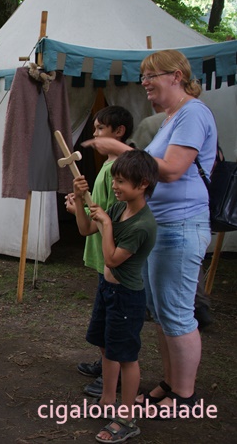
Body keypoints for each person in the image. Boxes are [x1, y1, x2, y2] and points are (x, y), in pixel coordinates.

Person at [82, 50, 217, 419]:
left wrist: (121, 149)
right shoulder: (171, 118)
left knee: (177, 313)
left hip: (182, 225)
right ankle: (170, 385)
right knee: (161, 311)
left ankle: (184, 395)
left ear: (176, 76)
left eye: (151, 75)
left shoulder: (192, 113)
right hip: (165, 227)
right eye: (143, 76)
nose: (144, 82)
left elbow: (171, 170)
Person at [73, 150, 158, 443]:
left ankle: (127, 418)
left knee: (126, 357)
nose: (115, 186)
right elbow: (86, 229)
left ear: (143, 184)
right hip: (107, 290)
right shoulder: (119, 208)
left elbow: (111, 259)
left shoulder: (143, 225)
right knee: (106, 347)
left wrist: (107, 224)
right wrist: (79, 199)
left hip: (126, 297)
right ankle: (107, 400)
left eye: (121, 181)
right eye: (114, 180)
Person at [64, 106, 134, 397]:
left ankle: (112, 375)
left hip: (114, 258)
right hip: (104, 257)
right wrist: (80, 201)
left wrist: (79, 207)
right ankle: (106, 364)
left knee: (113, 321)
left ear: (119, 132)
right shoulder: (109, 167)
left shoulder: (121, 171)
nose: (94, 135)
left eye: (100, 129)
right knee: (105, 317)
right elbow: (95, 216)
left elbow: (104, 221)